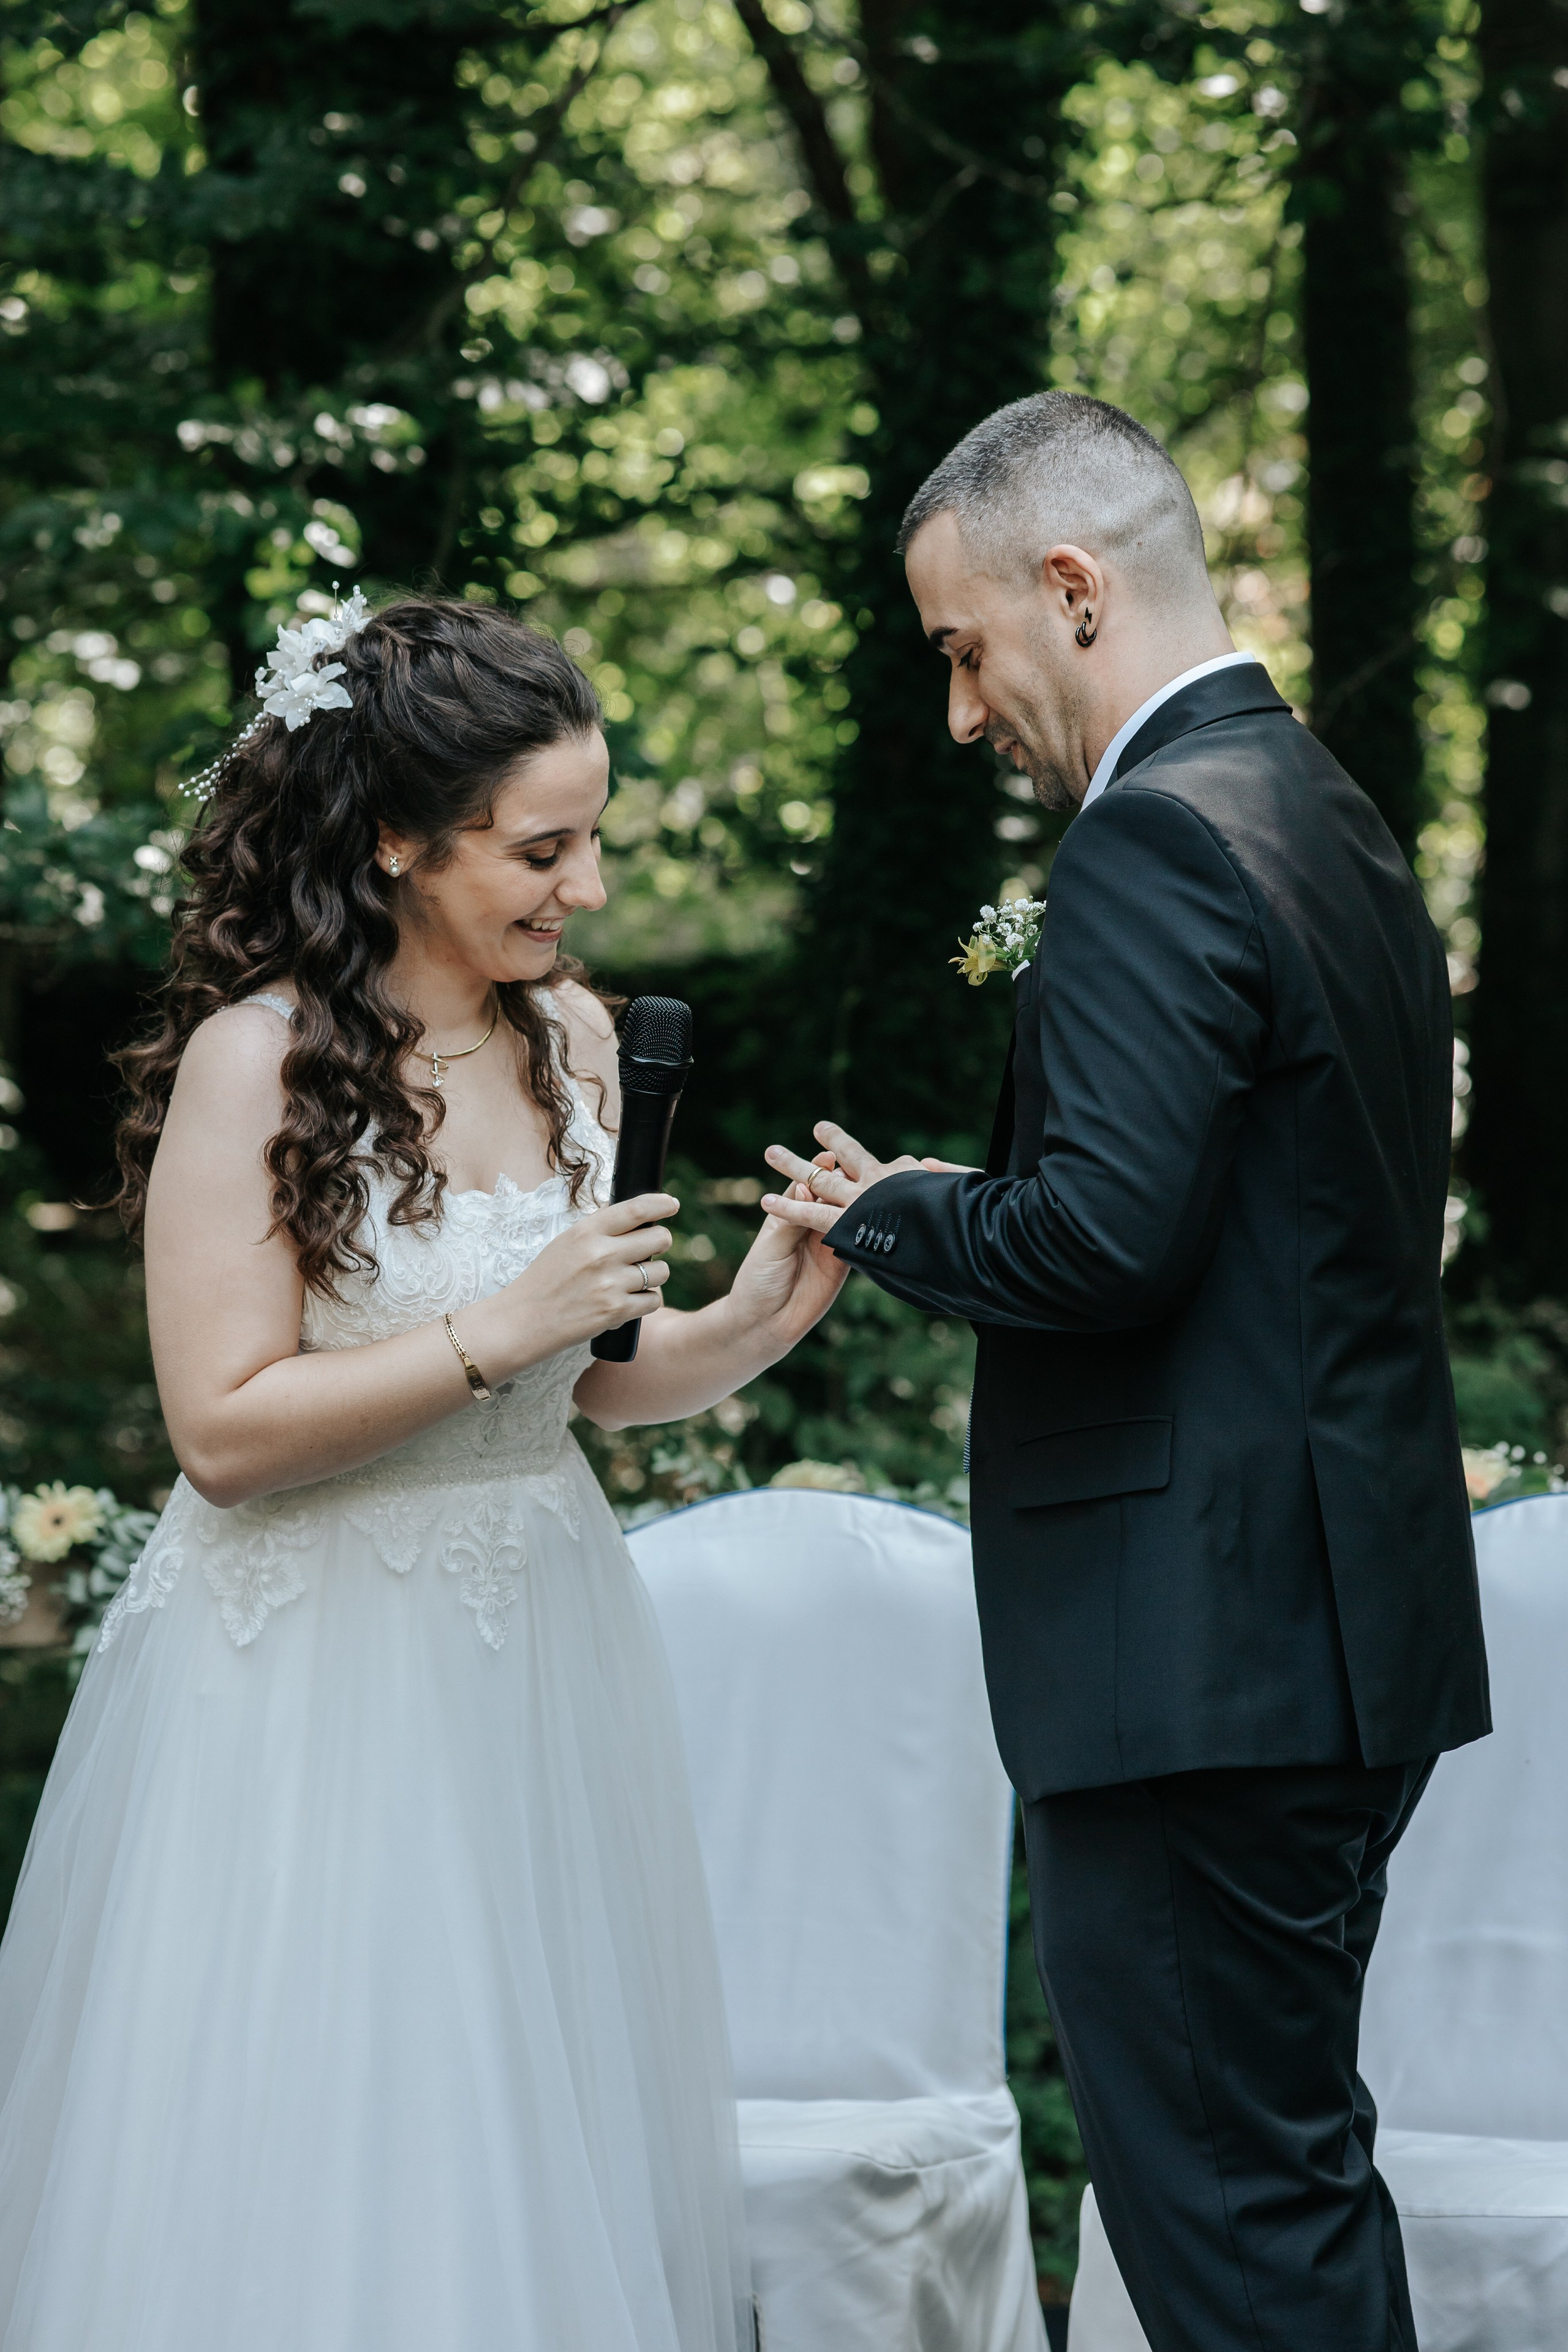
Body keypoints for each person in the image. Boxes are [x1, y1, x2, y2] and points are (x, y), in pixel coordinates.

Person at [0, 592, 846, 2351]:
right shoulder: (264, 1062)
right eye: (544, 849)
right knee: (323, 2122)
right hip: (304, 1674)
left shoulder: (582, 1044)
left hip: (533, 1644)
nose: (586, 888)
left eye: (594, 840)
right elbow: (224, 1433)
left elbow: (596, 1386)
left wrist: (757, 1317)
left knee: (528, 2118)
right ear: (395, 836)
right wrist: (502, 1324)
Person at [762, 391, 1490, 2351]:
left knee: (1234, 2225)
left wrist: (904, 1208)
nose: (960, 710)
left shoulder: (1154, 842)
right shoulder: (1321, 808)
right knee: (1282, 2183)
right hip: (1330, 1639)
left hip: (1203, 1669)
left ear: (1072, 589)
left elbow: (1099, 1239)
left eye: (964, 648)